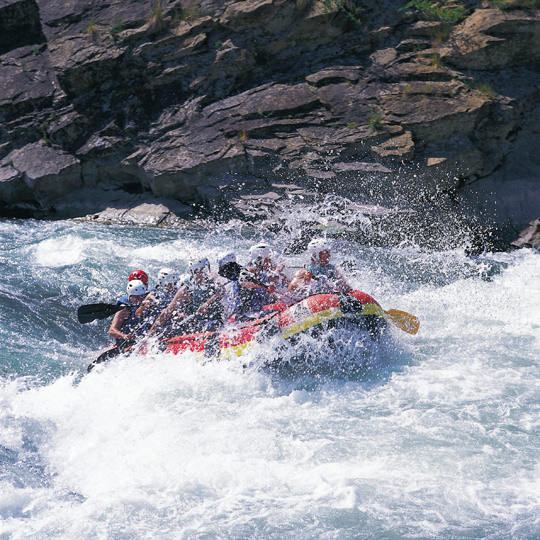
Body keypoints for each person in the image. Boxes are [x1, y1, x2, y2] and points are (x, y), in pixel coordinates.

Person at [147, 257, 222, 336]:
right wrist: (149, 334)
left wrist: (207, 304)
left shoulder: (213, 277)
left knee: (212, 325)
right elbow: (168, 311)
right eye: (200, 271)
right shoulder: (186, 289)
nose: (204, 273)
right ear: (192, 272)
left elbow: (221, 291)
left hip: (216, 318)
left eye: (205, 269)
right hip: (198, 323)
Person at [244, 243, 292, 310]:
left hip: (265, 305)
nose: (270, 261)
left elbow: (289, 284)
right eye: (268, 258)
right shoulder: (249, 271)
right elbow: (245, 283)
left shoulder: (268, 273)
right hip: (252, 310)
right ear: (259, 259)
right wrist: (265, 285)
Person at [108, 279, 148, 345]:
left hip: (140, 339)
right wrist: (124, 336)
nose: (140, 299)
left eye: (141, 296)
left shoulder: (144, 302)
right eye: (136, 297)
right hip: (126, 343)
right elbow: (112, 330)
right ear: (130, 296)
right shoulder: (124, 309)